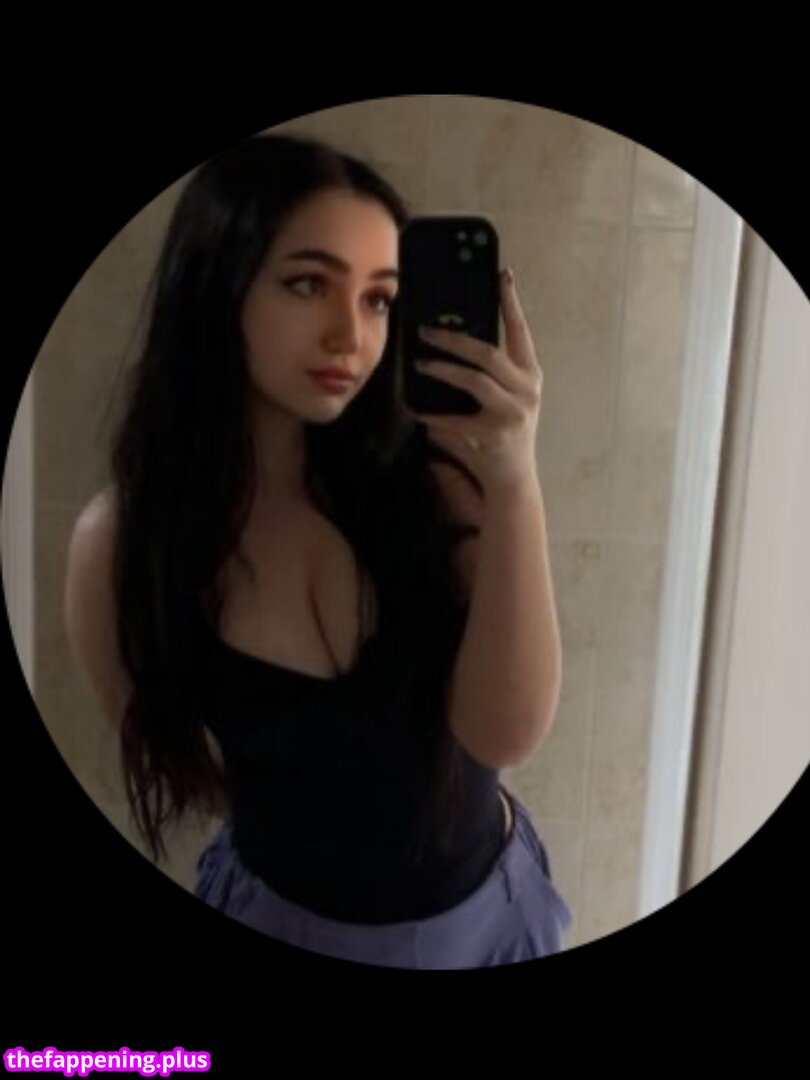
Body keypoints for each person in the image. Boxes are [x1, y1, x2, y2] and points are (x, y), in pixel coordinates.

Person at [63, 132, 572, 968]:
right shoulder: (124, 544)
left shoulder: (439, 481)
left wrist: (515, 477)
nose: (351, 335)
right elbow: (174, 752)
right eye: (309, 284)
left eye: (379, 300)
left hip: (481, 924)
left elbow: (504, 733)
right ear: (219, 283)